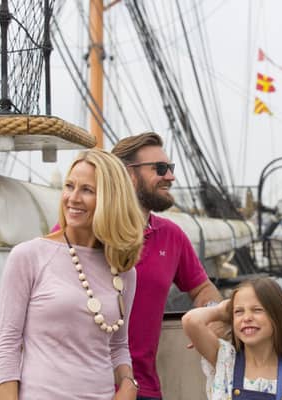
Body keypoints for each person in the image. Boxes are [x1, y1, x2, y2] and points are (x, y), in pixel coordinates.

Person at [0, 149, 145, 400]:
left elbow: (118, 345)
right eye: (69, 186)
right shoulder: (29, 255)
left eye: (87, 190)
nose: (72, 198)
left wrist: (129, 385)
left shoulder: (124, 271)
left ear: (111, 199)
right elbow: (7, 344)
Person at [111, 132, 222, 400]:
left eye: (170, 168)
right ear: (128, 175)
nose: (170, 177)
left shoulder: (171, 236)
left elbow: (203, 288)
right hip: (81, 386)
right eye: (160, 169)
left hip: (143, 388)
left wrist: (210, 317)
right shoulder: (83, 231)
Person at [182, 277, 282, 399]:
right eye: (239, 311)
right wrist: (221, 310)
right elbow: (191, 321)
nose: (247, 318)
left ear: (277, 316)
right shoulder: (226, 362)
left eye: (257, 310)